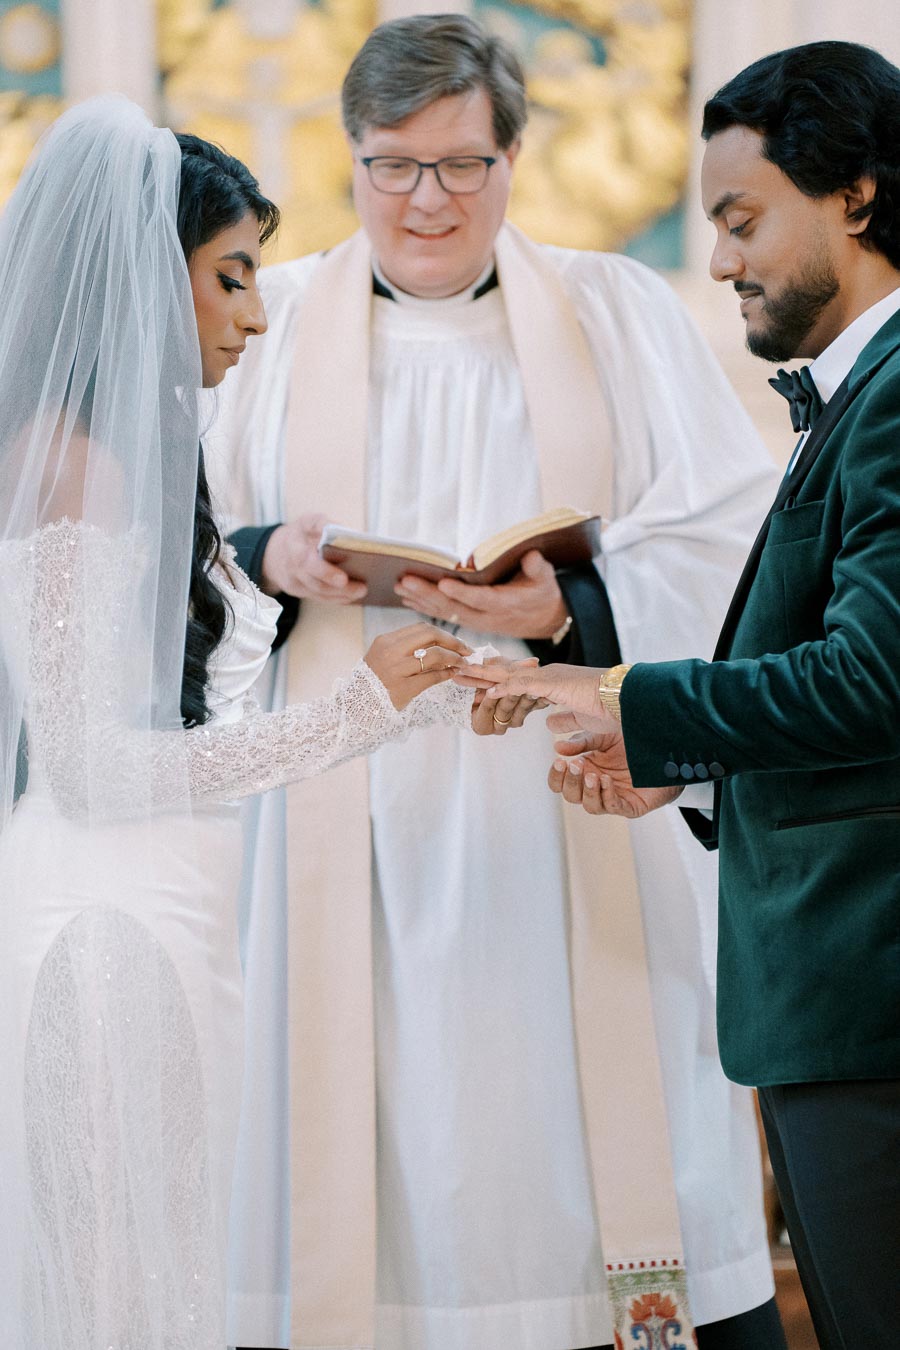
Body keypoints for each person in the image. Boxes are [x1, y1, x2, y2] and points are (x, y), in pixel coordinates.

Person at [213, 15, 787, 1350]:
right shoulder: (273, 319)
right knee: (356, 1154)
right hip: (338, 825)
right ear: (348, 159)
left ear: (514, 155)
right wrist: (274, 552)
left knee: (578, 1143)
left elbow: (735, 546)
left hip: (562, 811)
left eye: (463, 165)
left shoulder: (616, 309)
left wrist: (573, 600)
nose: (427, 199)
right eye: (392, 165)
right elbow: (167, 560)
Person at [0, 95, 503, 1350]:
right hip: (103, 929)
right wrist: (353, 715)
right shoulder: (69, 460)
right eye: (231, 276)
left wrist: (434, 698)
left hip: (172, 916)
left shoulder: (140, 458)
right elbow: (90, 767)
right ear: (141, 271)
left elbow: (175, 693)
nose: (255, 315)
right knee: (118, 1295)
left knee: (163, 1279)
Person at [460, 39, 900, 1350]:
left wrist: (628, 694)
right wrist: (685, 765)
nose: (720, 262)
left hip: (869, 999)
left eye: (742, 218)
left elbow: (874, 679)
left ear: (860, 198)